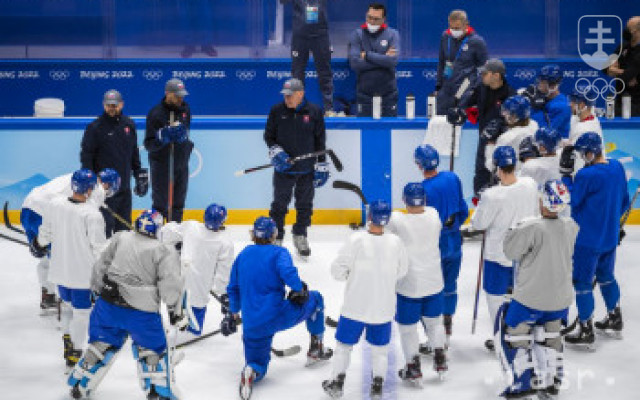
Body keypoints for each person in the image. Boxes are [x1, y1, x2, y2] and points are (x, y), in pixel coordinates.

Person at [68, 209, 190, 400]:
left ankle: (79, 380)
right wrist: (176, 312)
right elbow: (170, 286)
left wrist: (96, 289)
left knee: (101, 342)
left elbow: (101, 266)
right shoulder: (164, 250)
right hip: (142, 314)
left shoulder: (120, 238)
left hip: (107, 306)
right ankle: (157, 389)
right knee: (152, 349)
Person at [224, 216, 332, 400]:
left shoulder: (243, 255)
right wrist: (300, 289)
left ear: (254, 234)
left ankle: (251, 371)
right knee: (317, 300)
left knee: (258, 363)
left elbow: (233, 288)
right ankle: (316, 350)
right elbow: (288, 273)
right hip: (277, 315)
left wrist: (233, 314)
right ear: (273, 234)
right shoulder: (278, 252)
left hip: (252, 324)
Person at [497, 179, 578, 399]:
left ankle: (523, 381)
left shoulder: (531, 226)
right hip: (561, 298)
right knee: (552, 335)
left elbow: (510, 251)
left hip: (529, 298)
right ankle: (553, 379)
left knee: (513, 334)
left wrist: (514, 230)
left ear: (543, 200)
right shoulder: (571, 226)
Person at [323, 200, 408, 399]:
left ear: (370, 216)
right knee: (380, 351)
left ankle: (337, 382)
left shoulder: (356, 239)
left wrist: (350, 276)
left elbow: (337, 270)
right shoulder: (396, 242)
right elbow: (402, 271)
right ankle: (377, 387)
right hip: (383, 308)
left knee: (344, 346)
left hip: (354, 307)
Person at [560, 132, 629, 349]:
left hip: (586, 240)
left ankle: (586, 328)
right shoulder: (617, 167)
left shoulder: (586, 176)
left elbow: (572, 199)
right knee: (607, 276)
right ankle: (614, 317)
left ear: (590, 153)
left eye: (583, 154)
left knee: (582, 283)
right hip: (609, 236)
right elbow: (625, 202)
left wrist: (565, 175)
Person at [32, 169, 107, 368]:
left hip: (59, 272)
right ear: (90, 189)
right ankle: (76, 350)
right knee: (81, 314)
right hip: (82, 276)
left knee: (66, 307)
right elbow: (99, 250)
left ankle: (68, 341)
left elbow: (45, 233)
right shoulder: (92, 215)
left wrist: (38, 243)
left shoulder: (55, 205)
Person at [470, 146, 539, 351]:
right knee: (521, 296)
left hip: (498, 255)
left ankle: (501, 338)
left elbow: (479, 224)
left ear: (497, 168)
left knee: (495, 298)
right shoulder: (530, 184)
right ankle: (521, 334)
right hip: (525, 253)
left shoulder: (492, 196)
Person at [21, 169, 117, 312]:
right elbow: (86, 218)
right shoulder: (96, 189)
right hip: (42, 214)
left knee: (47, 255)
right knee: (60, 257)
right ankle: (66, 299)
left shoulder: (79, 178)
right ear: (108, 184)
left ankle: (48, 293)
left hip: (27, 209)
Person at [387, 183, 447, 385]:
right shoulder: (433, 214)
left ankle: (413, 366)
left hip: (408, 284)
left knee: (408, 327)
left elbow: (381, 228)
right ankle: (440, 357)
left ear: (404, 200)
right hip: (434, 281)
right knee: (434, 322)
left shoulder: (397, 219)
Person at [264, 78, 329, 257]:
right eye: (285, 95)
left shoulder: (314, 112)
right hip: (283, 170)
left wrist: (322, 163)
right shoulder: (277, 111)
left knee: (305, 205)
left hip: (306, 170)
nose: (287, 99)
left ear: (301, 94)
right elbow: (269, 137)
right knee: (279, 205)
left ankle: (300, 234)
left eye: (290, 95)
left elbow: (320, 141)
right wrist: (276, 151)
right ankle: (276, 235)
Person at [413, 145, 468, 347]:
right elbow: (463, 209)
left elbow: (420, 225)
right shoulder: (452, 178)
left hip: (435, 244)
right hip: (454, 239)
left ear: (419, 165)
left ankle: (435, 336)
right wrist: (455, 227)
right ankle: (447, 322)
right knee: (450, 284)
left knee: (432, 287)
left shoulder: (422, 190)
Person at [81, 89, 148, 235]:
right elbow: (87, 156)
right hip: (104, 191)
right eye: (108, 105)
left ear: (121, 104)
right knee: (103, 230)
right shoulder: (94, 128)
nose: (112, 108)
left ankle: (120, 258)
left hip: (124, 189)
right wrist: (91, 182)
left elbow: (134, 153)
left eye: (115, 105)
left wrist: (138, 175)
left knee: (123, 232)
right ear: (104, 105)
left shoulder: (129, 125)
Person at [160, 203, 234, 337]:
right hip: (199, 286)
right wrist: (224, 293)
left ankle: (176, 319)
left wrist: (169, 231)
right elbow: (223, 272)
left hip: (178, 277)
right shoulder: (225, 242)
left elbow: (166, 234)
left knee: (177, 299)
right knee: (196, 308)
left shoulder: (191, 226)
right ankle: (189, 330)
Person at [451, 58, 515, 196]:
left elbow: (514, 122)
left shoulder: (510, 96)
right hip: (484, 141)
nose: (482, 76)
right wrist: (460, 111)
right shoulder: (481, 89)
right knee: (480, 175)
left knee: (500, 178)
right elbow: (465, 104)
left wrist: (500, 127)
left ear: (496, 76)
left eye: (485, 74)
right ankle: (480, 204)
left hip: (502, 144)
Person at [144, 78, 193, 223]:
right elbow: (149, 144)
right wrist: (161, 138)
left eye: (182, 95)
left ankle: (175, 237)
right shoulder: (155, 113)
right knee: (160, 205)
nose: (180, 98)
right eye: (176, 95)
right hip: (161, 167)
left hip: (180, 164)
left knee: (178, 204)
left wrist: (183, 139)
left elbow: (187, 133)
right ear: (167, 93)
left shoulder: (186, 110)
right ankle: (157, 237)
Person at [281, 0, 334, 114]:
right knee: (297, 74)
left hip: (320, 35)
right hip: (300, 36)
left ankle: (328, 109)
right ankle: (297, 108)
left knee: (325, 72)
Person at [347, 3, 400, 117]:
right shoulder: (357, 34)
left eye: (376, 19)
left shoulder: (393, 34)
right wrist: (383, 59)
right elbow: (355, 63)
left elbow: (392, 61)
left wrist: (367, 55)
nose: (371, 22)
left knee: (388, 128)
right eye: (369, 17)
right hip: (364, 94)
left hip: (388, 94)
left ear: (383, 20)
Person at [435, 9, 488, 116]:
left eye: (457, 28)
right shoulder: (445, 37)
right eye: (451, 28)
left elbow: (483, 70)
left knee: (461, 123)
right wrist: (439, 86)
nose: (454, 31)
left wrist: (474, 91)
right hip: (446, 89)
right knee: (441, 121)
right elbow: (441, 62)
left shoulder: (477, 42)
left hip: (466, 90)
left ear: (466, 25)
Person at [484, 95, 538, 173]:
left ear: (514, 116)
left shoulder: (507, 138)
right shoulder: (534, 125)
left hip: (514, 177)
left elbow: (492, 166)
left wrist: (490, 143)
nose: (504, 115)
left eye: (507, 112)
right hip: (532, 176)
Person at [605, 16, 640, 117]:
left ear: (637, 31)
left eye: (629, 29)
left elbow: (626, 76)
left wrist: (614, 71)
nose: (626, 31)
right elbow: (605, 68)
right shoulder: (623, 46)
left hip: (636, 104)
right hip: (619, 100)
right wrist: (614, 69)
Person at [527, 65, 572, 140]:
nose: (539, 86)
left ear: (552, 86)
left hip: (556, 146)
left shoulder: (562, 106)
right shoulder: (546, 98)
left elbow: (546, 131)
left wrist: (534, 109)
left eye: (542, 83)